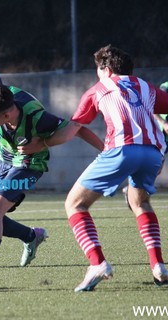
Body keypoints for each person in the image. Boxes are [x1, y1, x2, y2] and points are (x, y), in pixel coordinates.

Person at [0, 63, 104, 293]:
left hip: (28, 166)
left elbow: (76, 128)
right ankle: (31, 236)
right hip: (0, 162)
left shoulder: (37, 117)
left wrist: (106, 150)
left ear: (8, 113)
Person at [60, 44, 168, 292]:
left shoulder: (98, 90)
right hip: (153, 153)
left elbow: (71, 130)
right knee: (140, 202)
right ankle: (159, 266)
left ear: (106, 69)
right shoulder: (145, 86)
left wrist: (41, 142)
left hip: (121, 151)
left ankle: (97, 263)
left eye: (98, 70)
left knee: (75, 204)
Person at [122, 81, 168, 209]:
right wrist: (163, 122)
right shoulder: (165, 87)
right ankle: (132, 189)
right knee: (156, 168)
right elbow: (152, 107)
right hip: (163, 135)